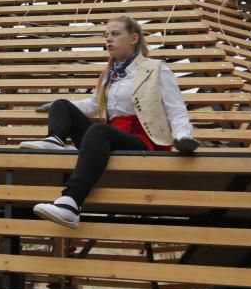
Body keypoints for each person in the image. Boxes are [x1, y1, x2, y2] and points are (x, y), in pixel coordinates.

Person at [21, 17, 198, 228]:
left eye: (115, 34)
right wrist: (59, 110)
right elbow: (94, 105)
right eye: (106, 35)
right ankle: (55, 139)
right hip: (108, 137)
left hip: (140, 139)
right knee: (62, 104)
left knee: (98, 130)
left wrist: (182, 136)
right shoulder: (108, 75)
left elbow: (176, 109)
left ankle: (71, 204)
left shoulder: (156, 69)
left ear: (133, 38)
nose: (108, 39)